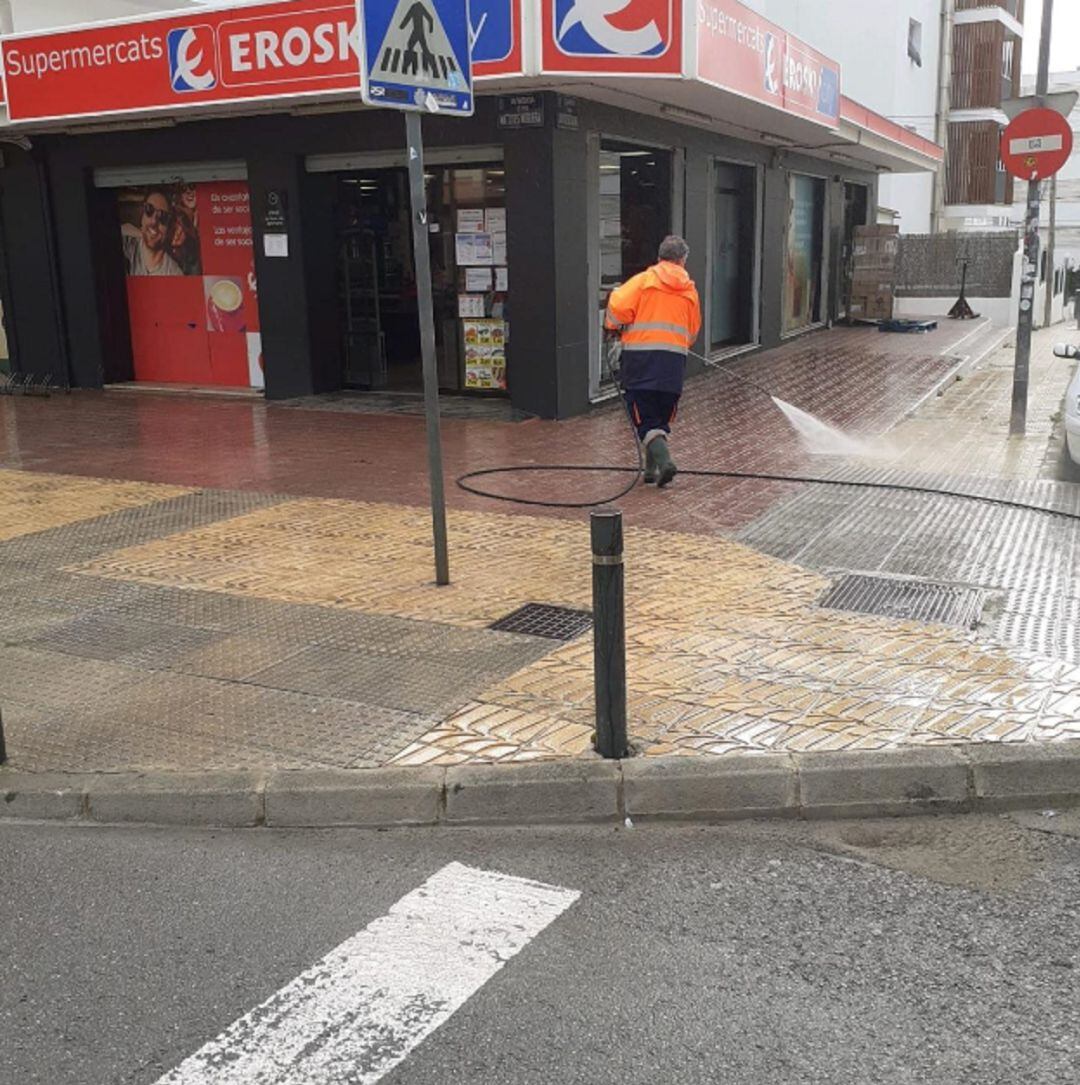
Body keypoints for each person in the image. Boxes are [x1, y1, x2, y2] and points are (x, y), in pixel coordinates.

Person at [604, 235, 701, 487]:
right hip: (673, 365)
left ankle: (665, 463)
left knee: (645, 419)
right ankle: (650, 471)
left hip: (640, 361)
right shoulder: (690, 291)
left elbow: (617, 308)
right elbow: (692, 333)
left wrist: (614, 326)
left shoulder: (643, 282)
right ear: (682, 260)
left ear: (659, 258)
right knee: (659, 418)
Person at [121, 190, 182, 277]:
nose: (154, 221)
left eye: (163, 216)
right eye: (149, 209)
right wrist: (143, 233)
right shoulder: (127, 245)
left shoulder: (174, 273)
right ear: (142, 215)